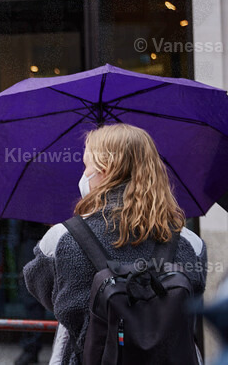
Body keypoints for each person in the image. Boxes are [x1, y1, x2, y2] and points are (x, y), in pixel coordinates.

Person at [23, 123, 207, 365]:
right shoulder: (190, 242)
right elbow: (193, 302)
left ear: (105, 169)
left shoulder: (61, 238)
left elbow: (44, 292)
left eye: (86, 165)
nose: (84, 174)